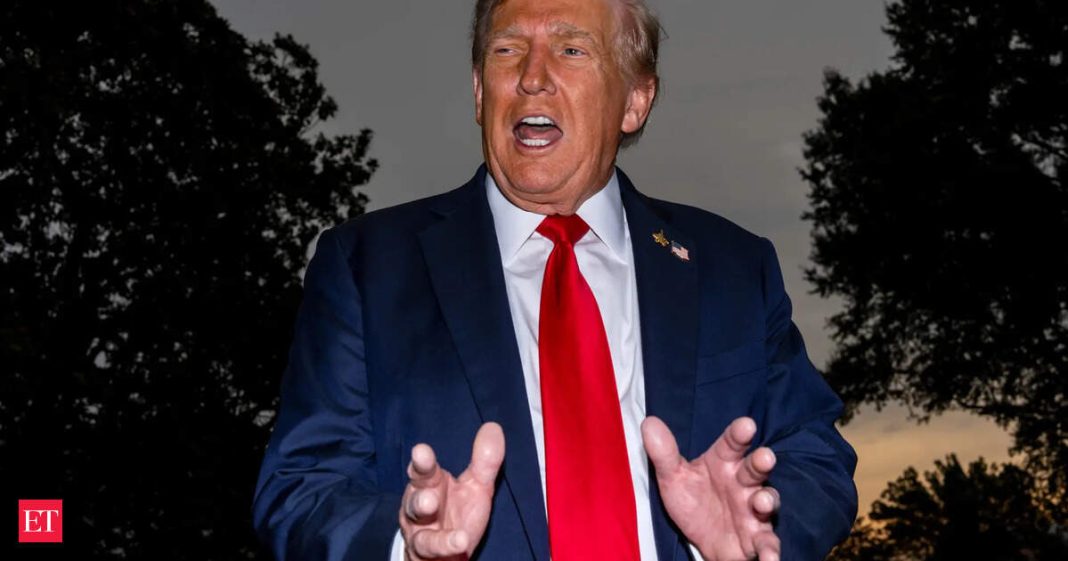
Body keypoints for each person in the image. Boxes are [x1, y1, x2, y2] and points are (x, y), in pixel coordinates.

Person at [252, 0, 858, 559]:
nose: (532, 77)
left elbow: (816, 458)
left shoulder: (732, 267)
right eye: (506, 50)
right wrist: (402, 542)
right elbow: (300, 488)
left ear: (635, 101)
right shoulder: (365, 266)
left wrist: (752, 531)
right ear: (478, 91)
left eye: (572, 50)